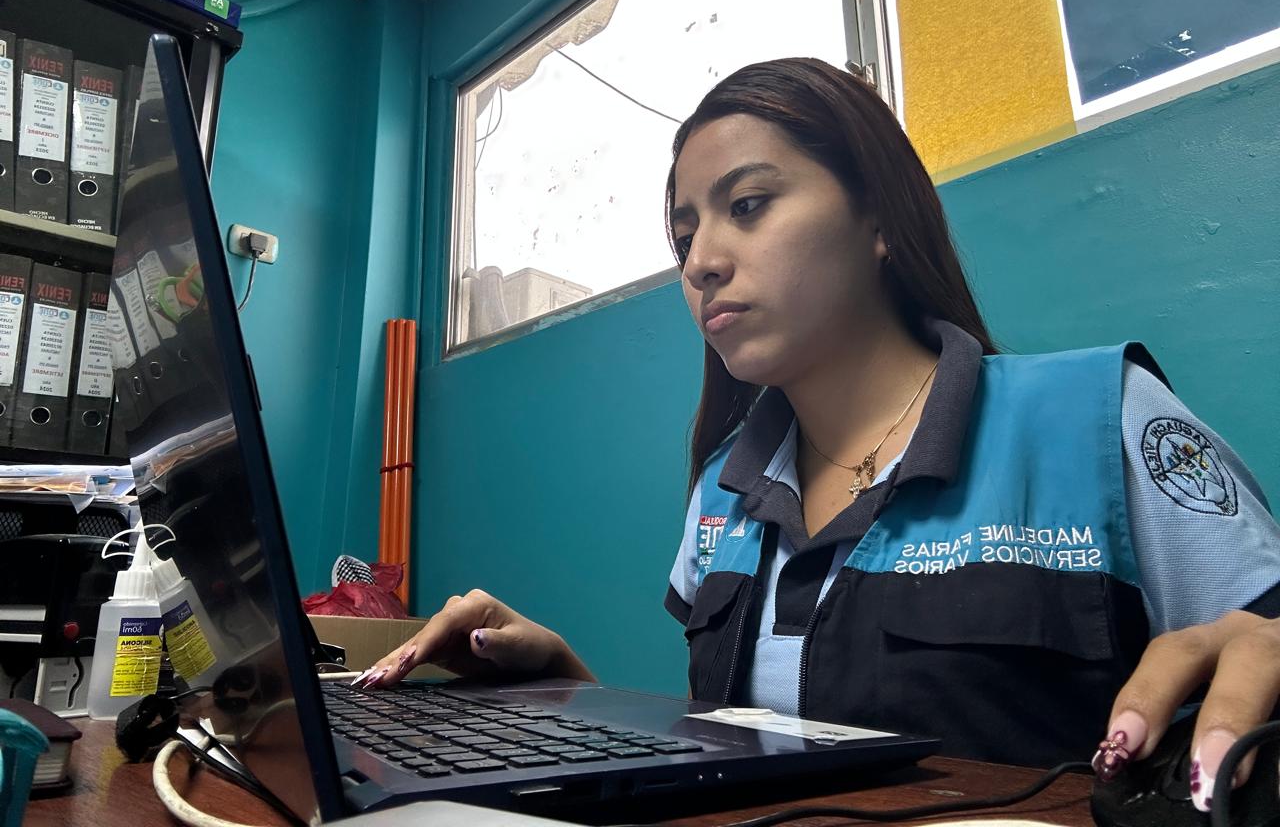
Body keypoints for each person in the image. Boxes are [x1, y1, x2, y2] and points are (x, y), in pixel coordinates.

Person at [362, 58, 1280, 814]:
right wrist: (559, 686)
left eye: (748, 204)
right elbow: (736, 769)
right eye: (683, 235)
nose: (701, 261)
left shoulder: (1099, 420)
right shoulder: (722, 491)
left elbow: (1259, 649)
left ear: (876, 216)